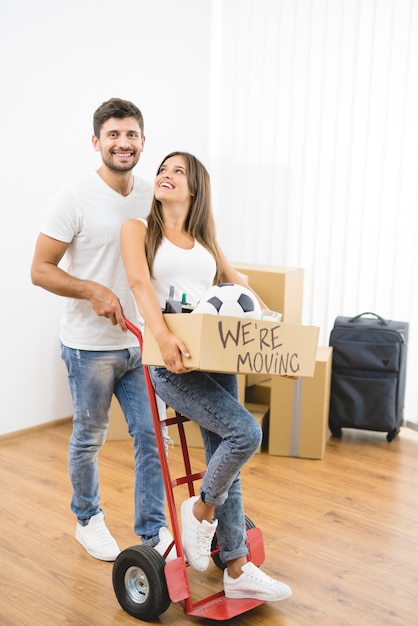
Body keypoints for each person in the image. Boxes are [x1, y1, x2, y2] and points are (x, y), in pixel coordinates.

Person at [120, 151, 292, 601]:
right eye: (162, 169)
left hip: (216, 361)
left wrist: (280, 351)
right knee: (245, 434)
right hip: (171, 362)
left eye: (178, 171)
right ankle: (199, 512)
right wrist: (161, 336)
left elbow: (242, 289)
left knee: (228, 461)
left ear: (195, 187)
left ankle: (236, 568)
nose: (165, 175)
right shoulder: (137, 230)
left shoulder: (203, 239)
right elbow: (140, 285)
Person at [30, 98, 175, 563]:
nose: (123, 143)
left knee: (153, 436)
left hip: (140, 342)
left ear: (143, 142)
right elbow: (40, 270)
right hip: (89, 347)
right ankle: (88, 519)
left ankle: (153, 533)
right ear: (97, 142)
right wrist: (91, 289)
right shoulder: (72, 198)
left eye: (131, 134)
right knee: (89, 436)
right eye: (113, 134)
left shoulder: (153, 193)